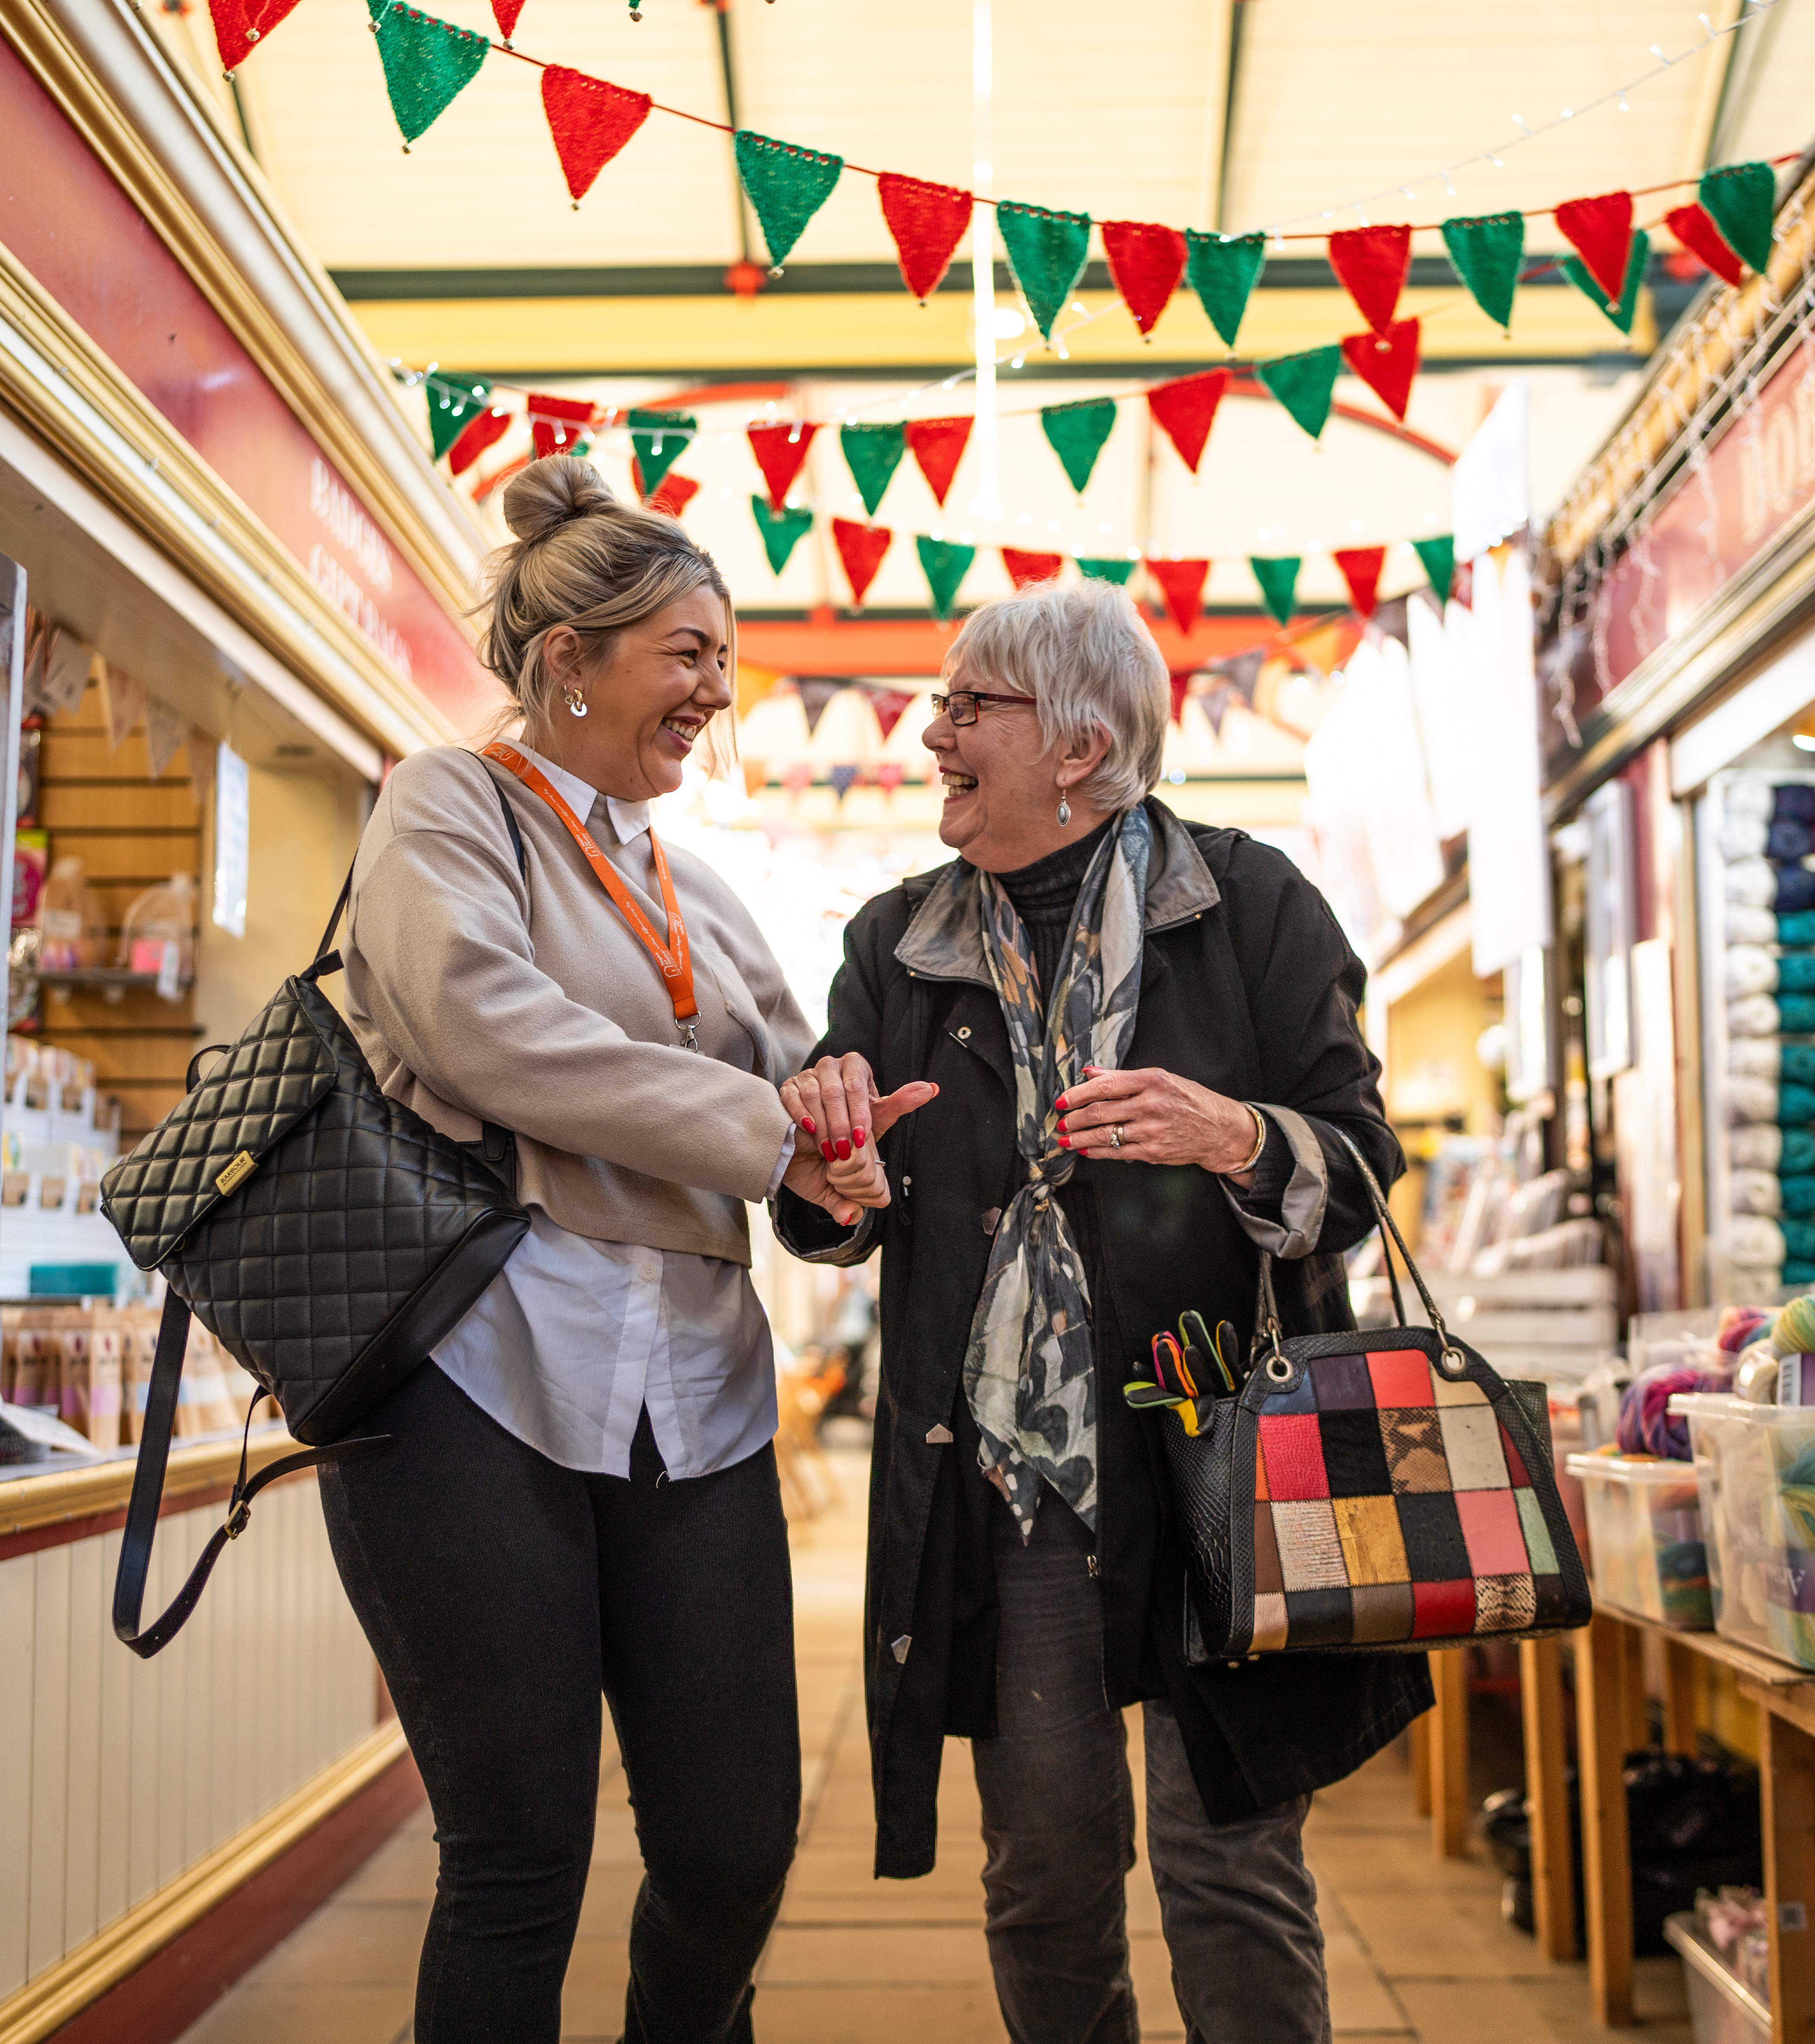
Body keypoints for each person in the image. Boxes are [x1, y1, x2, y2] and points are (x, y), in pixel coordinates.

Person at [772, 578, 1423, 2043]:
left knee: (1230, 1862)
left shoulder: (1250, 905)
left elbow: (1362, 1166)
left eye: (968, 707)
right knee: (1046, 1872)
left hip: (1227, 1466)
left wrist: (1236, 1136)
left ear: (1076, 745)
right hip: (1014, 1481)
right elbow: (818, 1207)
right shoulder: (895, 944)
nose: (932, 734)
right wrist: (834, 1167)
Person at [327, 454, 925, 2042]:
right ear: (565, 665)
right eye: (687, 654)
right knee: (518, 1857)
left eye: (726, 660)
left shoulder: (706, 892)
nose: (717, 691)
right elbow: (482, 1030)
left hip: (700, 1401)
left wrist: (841, 1163)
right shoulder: (445, 805)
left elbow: (800, 1101)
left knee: (734, 1848)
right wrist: (764, 1134)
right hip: (474, 1380)